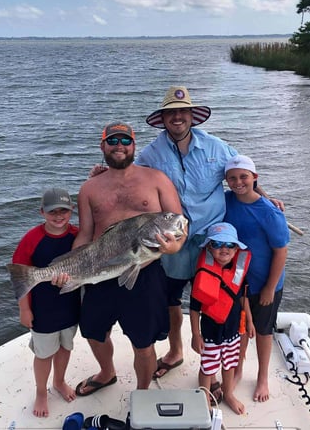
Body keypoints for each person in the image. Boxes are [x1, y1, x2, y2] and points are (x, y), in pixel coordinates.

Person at [135, 86, 283, 379]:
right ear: (163, 119)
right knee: (172, 301)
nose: (177, 117)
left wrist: (266, 197)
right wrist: (104, 174)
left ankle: (214, 371)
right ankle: (176, 352)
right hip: (175, 243)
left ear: (192, 116)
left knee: (216, 300)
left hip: (213, 243)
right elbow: (132, 179)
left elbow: (243, 174)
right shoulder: (150, 154)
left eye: (182, 112)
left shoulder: (217, 147)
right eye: (171, 113)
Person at [74, 122, 187, 397]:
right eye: (112, 141)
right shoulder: (89, 188)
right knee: (92, 331)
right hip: (100, 270)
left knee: (144, 342)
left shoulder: (157, 179)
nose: (119, 146)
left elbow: (180, 223)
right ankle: (106, 372)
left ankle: (143, 391)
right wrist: (71, 265)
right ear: (103, 147)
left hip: (145, 272)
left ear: (134, 145)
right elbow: (85, 234)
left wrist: (175, 248)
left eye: (126, 140)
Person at [223, 155, 289, 402]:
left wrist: (270, 288)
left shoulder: (270, 212)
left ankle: (262, 377)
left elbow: (281, 251)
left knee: (262, 331)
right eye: (232, 178)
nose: (238, 182)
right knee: (239, 328)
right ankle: (238, 369)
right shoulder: (227, 200)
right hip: (237, 281)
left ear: (255, 178)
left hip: (265, 283)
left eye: (244, 177)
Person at [11, 187, 80, 418]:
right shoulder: (32, 239)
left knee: (65, 347)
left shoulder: (77, 236)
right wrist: (24, 309)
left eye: (64, 210)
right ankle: (41, 391)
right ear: (42, 212)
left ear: (72, 210)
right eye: (52, 212)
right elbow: (20, 277)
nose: (59, 216)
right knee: (43, 354)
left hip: (70, 305)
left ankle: (59, 382)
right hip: (43, 310)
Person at [189, 222, 255, 415]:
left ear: (237, 249)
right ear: (209, 248)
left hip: (233, 331)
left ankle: (228, 393)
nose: (224, 249)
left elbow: (244, 298)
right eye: (217, 244)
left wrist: (250, 321)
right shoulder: (201, 275)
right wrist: (195, 334)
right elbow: (194, 309)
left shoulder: (240, 274)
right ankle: (204, 398)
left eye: (229, 245)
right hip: (210, 333)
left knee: (230, 364)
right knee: (208, 368)